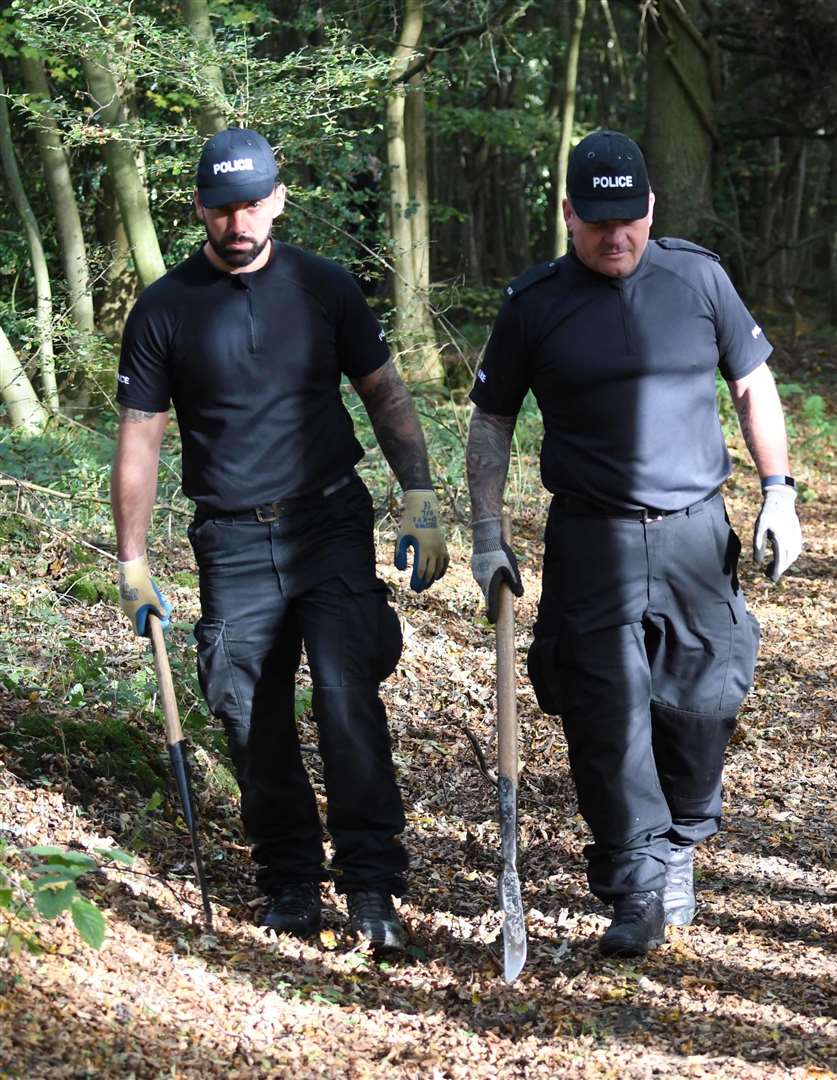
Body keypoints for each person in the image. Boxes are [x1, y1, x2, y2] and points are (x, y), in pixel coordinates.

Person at [464, 130, 802, 958]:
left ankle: (682, 834)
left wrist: (780, 494)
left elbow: (753, 383)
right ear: (569, 212)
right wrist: (486, 534)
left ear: (651, 208)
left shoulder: (699, 278)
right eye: (598, 223)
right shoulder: (534, 303)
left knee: (706, 701)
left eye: (631, 221)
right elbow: (492, 420)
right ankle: (638, 880)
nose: (617, 239)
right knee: (605, 712)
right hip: (592, 538)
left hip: (695, 533)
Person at [112, 127, 449, 952]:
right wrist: (131, 560)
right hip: (229, 540)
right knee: (245, 711)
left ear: (279, 199)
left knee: (345, 699)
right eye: (223, 208)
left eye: (253, 204)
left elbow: (385, 393)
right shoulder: (164, 309)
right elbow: (141, 440)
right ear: (199, 207)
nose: (238, 222)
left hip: (329, 522)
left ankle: (372, 886)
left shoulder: (326, 288)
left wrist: (420, 497)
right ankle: (291, 881)